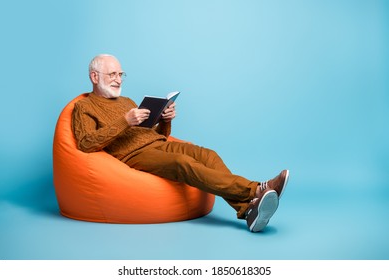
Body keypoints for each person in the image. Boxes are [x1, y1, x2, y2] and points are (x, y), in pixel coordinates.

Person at [72, 54, 290, 232]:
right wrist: (125, 121)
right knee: (182, 163)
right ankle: (257, 189)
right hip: (135, 155)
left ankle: (247, 211)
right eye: (112, 74)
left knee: (208, 155)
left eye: (121, 74)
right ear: (94, 76)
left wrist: (164, 120)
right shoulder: (84, 107)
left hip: (157, 143)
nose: (118, 79)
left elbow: (153, 133)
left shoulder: (126, 101)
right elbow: (85, 143)